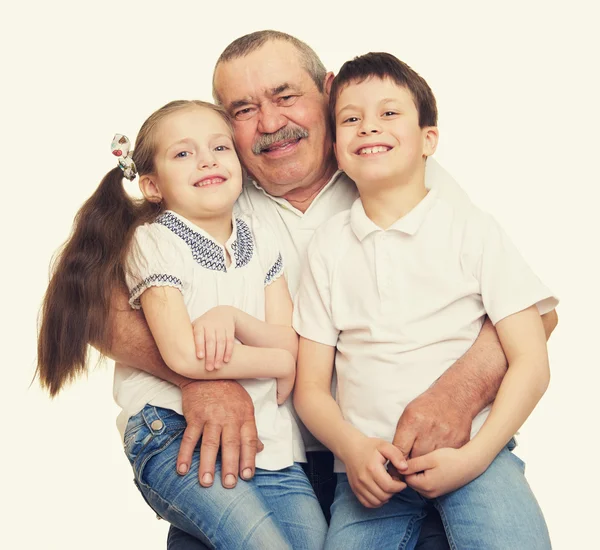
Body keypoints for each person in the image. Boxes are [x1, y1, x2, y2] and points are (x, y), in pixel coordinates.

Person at [89, 31, 558, 549]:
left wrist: (455, 397)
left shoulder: (392, 171)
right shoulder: (208, 183)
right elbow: (92, 309)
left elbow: (532, 315)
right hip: (238, 453)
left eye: (286, 96)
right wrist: (200, 376)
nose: (270, 124)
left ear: (327, 91)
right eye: (243, 110)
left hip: (401, 454)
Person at [293, 52, 557, 549]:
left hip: (477, 457)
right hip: (370, 475)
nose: (368, 127)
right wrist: (353, 449)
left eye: (389, 113)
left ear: (428, 140)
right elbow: (310, 388)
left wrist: (476, 456)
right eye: (351, 118)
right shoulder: (327, 248)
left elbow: (531, 361)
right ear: (336, 145)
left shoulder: (471, 229)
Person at [37, 99, 327, 550]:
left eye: (220, 147)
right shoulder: (154, 242)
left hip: (273, 445)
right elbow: (184, 356)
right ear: (152, 186)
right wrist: (276, 361)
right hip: (172, 431)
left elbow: (287, 341)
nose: (207, 159)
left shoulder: (262, 239)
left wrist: (232, 320)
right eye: (183, 153)